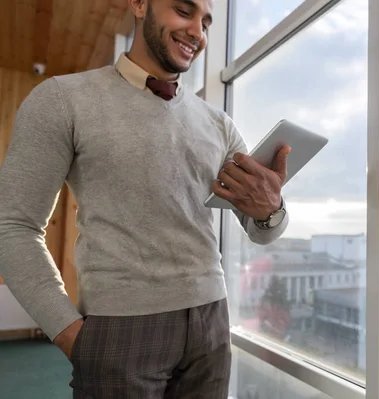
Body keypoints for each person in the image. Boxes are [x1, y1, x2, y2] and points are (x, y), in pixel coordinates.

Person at [0, 0, 290, 397]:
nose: (198, 33)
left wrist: (271, 211)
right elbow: (13, 225)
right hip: (119, 328)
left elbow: (263, 232)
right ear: (139, 4)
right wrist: (68, 333)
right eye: (184, 11)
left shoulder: (219, 125)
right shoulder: (62, 99)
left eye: (205, 22)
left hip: (211, 323)